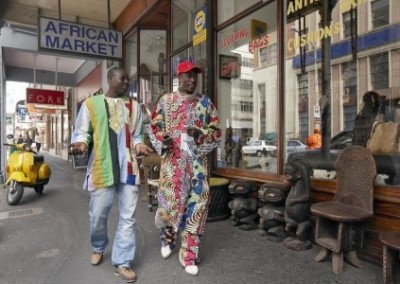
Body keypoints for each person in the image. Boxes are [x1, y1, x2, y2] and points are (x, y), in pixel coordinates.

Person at [70, 66, 153, 283]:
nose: (126, 82)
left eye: (128, 79)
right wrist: (79, 144)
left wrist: (140, 146)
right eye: (122, 78)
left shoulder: (134, 107)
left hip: (128, 170)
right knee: (98, 215)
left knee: (128, 217)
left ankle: (122, 262)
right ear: (109, 79)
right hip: (101, 168)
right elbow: (81, 132)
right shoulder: (91, 104)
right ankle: (98, 246)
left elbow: (136, 135)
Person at [149, 60, 221, 276]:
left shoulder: (205, 103)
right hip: (172, 165)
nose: (191, 80)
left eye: (194, 76)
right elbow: (154, 127)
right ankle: (168, 238)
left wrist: (202, 134)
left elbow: (216, 130)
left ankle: (189, 253)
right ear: (178, 77)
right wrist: (164, 139)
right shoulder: (165, 101)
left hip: (197, 166)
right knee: (170, 204)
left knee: (197, 208)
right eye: (187, 76)